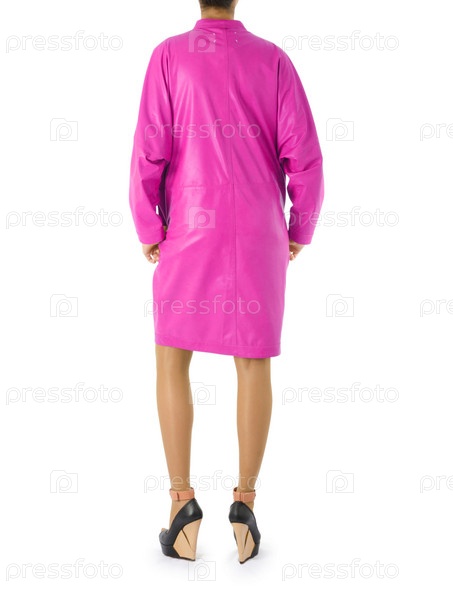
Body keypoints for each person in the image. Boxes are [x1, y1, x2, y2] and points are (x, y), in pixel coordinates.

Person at [128, 0, 324, 563]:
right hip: (259, 232)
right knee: (254, 362)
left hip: (191, 228)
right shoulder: (274, 61)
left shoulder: (169, 57)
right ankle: (245, 507)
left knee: (171, 357)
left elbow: (149, 151)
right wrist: (299, 228)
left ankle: (181, 506)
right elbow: (305, 158)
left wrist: (148, 225)